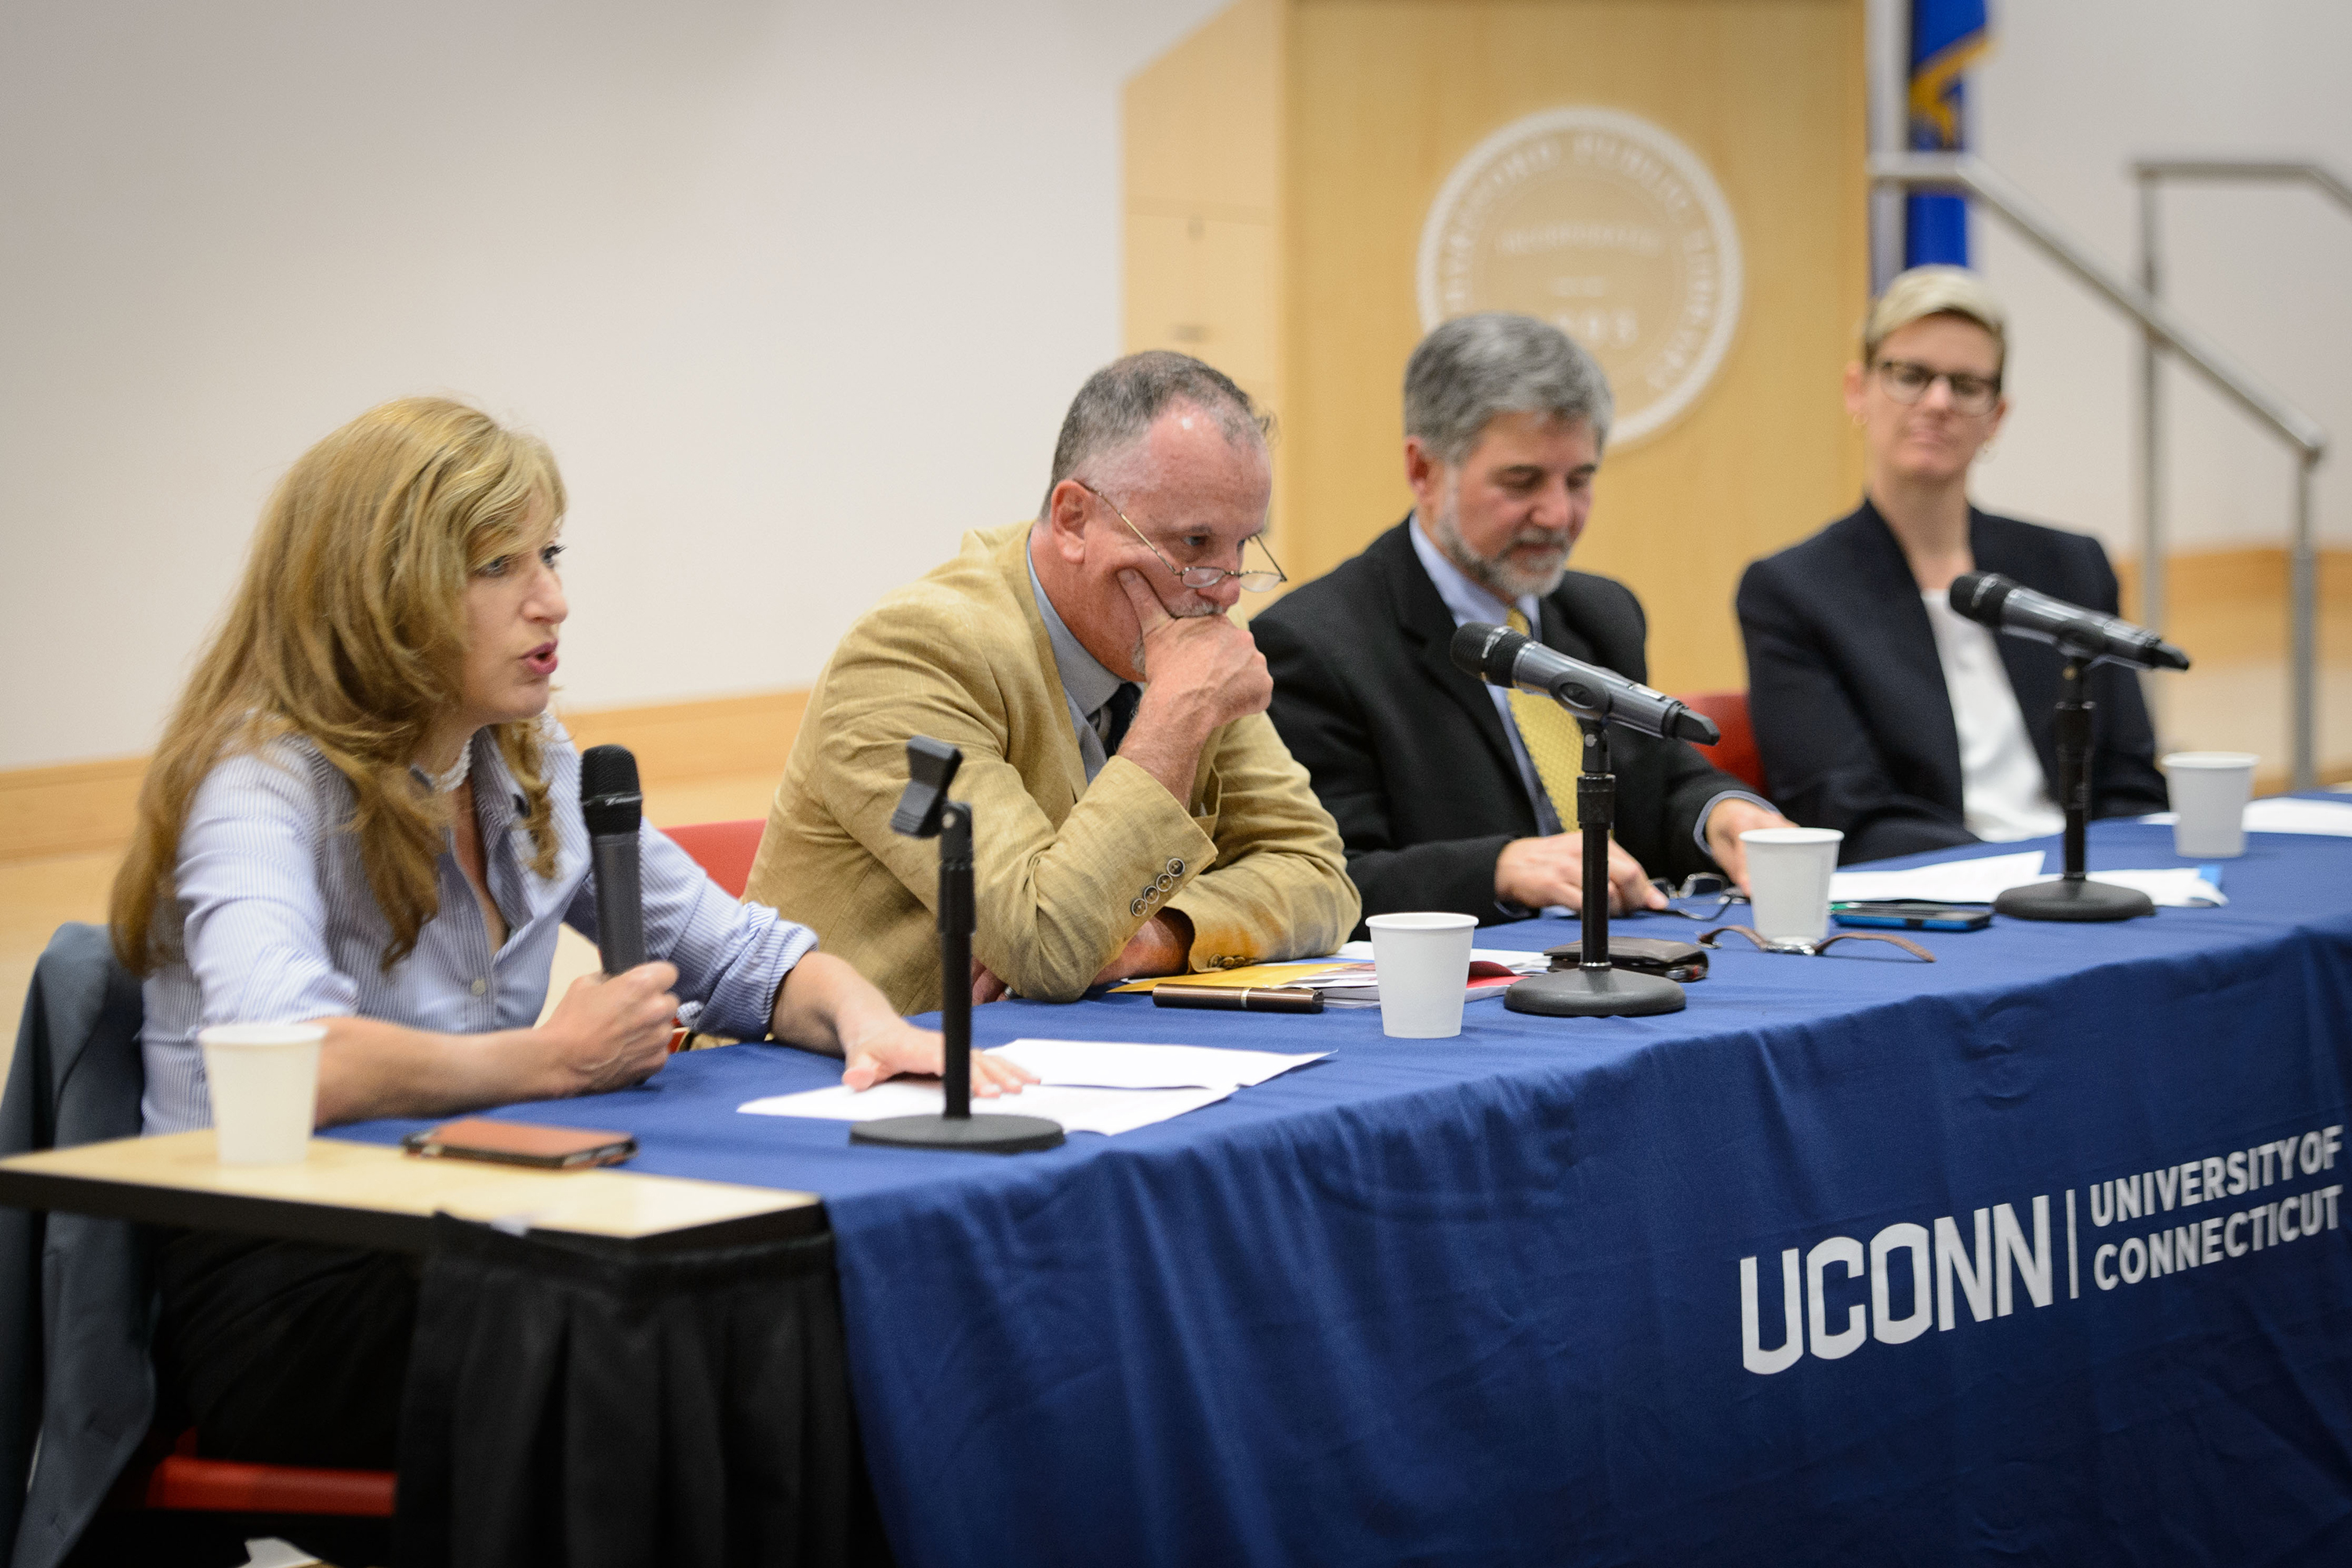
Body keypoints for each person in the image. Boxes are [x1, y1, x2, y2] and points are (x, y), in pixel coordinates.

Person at [108, 397, 1026, 1479]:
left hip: (468, 1225)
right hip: (301, 1280)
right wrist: (549, 1061)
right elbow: (285, 1058)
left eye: (547, 554)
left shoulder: (523, 758)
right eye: (499, 567)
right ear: (377, 595)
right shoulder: (259, 781)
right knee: (685, 1352)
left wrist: (872, 1027)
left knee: (793, 1307)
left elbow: (746, 959)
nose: (552, 601)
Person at [746, 352, 1359, 1011]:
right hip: (840, 1080)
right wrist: (1175, 717)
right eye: (1193, 544)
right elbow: (1050, 946)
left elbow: (1321, 877)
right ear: (1073, 519)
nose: (1228, 587)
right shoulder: (915, 651)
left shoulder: (1178, 641)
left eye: (1243, 545)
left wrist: (1160, 936)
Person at [1250, 313, 1786, 927]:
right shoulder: (1316, 644)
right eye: (1521, 481)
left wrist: (1721, 813)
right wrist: (1499, 868)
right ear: (1423, 471)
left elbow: (1659, 784)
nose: (1558, 514)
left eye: (1579, 481)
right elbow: (1326, 877)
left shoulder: (1602, 613)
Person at [1736, 266, 2166, 865]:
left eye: (1966, 385)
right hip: (1939, 901)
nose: (1938, 402)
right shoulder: (1792, 591)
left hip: (2092, 884)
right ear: (1857, 391)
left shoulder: (2070, 566)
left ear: (1997, 415)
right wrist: (2027, 872)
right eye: (1910, 376)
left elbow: (2130, 785)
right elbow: (1846, 811)